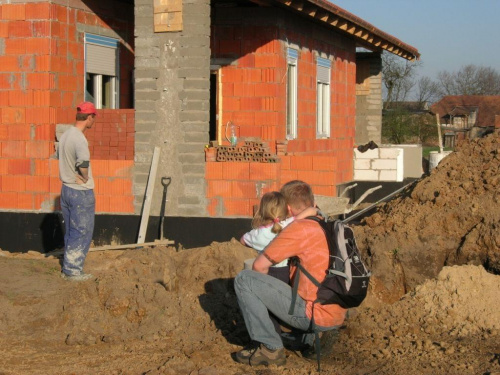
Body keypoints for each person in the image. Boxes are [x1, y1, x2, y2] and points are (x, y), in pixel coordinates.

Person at [233, 180, 347, 367]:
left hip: (313, 313)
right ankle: (308, 337)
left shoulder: (297, 230)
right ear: (312, 201)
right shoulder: (328, 225)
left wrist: (265, 299)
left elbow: (260, 267)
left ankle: (270, 348)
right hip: (338, 308)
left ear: (286, 207)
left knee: (245, 280)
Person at [240, 191, 317, 334]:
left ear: (262, 212)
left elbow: (243, 240)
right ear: (286, 209)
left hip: (268, 273)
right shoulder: (289, 224)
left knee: (269, 306)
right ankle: (297, 331)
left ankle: (274, 335)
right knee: (290, 302)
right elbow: (303, 216)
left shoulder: (257, 234)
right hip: (288, 272)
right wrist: (313, 209)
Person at [56, 102, 97, 281]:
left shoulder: (66, 135)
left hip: (66, 189)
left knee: (72, 230)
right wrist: (85, 177)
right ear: (89, 117)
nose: (93, 121)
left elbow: (62, 158)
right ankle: (73, 270)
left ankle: (68, 267)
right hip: (80, 192)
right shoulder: (79, 138)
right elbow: (83, 163)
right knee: (82, 231)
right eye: (93, 118)